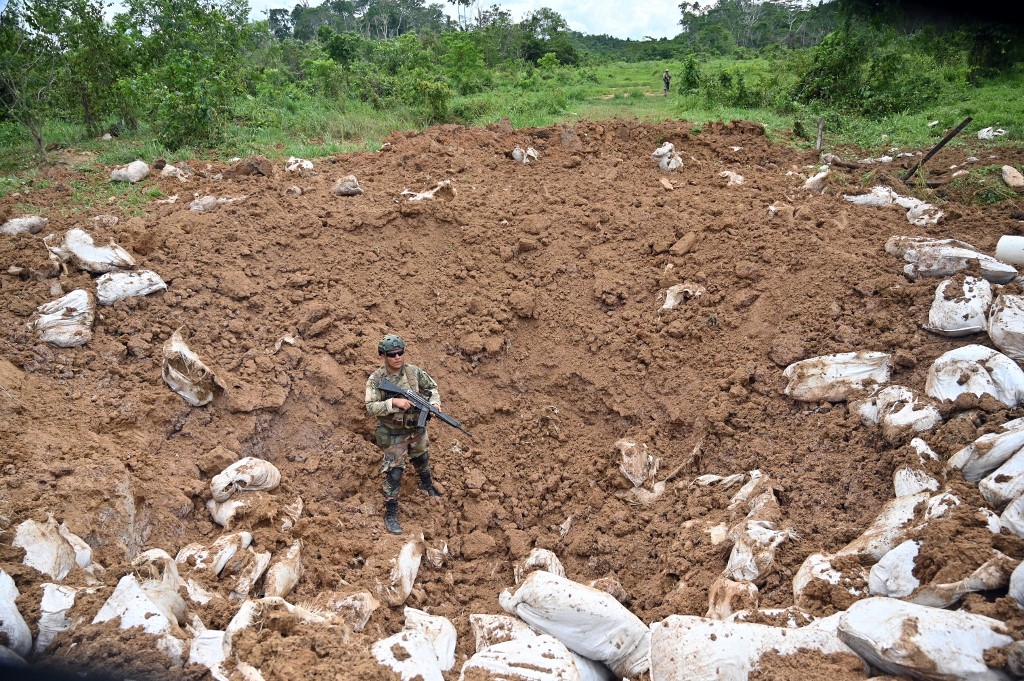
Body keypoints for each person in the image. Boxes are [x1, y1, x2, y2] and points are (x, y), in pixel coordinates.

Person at [365, 334, 442, 534]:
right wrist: (394, 403)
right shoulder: (376, 379)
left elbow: (432, 387)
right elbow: (371, 407)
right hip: (393, 433)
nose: (398, 357)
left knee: (421, 458)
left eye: (401, 353)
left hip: (416, 429)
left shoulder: (413, 372)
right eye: (392, 354)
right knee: (395, 473)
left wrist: (434, 403)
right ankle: (391, 512)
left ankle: (427, 486)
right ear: (383, 356)